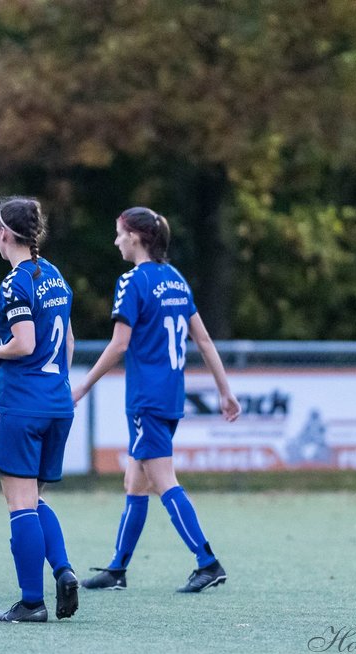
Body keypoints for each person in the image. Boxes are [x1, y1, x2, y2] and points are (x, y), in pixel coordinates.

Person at [72, 206, 241, 593]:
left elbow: (119, 345)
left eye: (119, 233)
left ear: (135, 237)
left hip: (146, 398)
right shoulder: (176, 280)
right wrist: (225, 390)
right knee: (135, 481)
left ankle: (207, 562)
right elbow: (203, 339)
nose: (116, 241)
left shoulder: (133, 282)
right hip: (171, 395)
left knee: (163, 480)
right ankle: (117, 569)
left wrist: (83, 385)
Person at [0, 197, 79, 622]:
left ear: (5, 234)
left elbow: (25, 344)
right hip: (56, 402)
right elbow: (66, 343)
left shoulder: (16, 282)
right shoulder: (56, 276)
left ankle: (32, 602)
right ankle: (64, 569)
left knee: (19, 505)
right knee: (35, 499)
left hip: (20, 406)